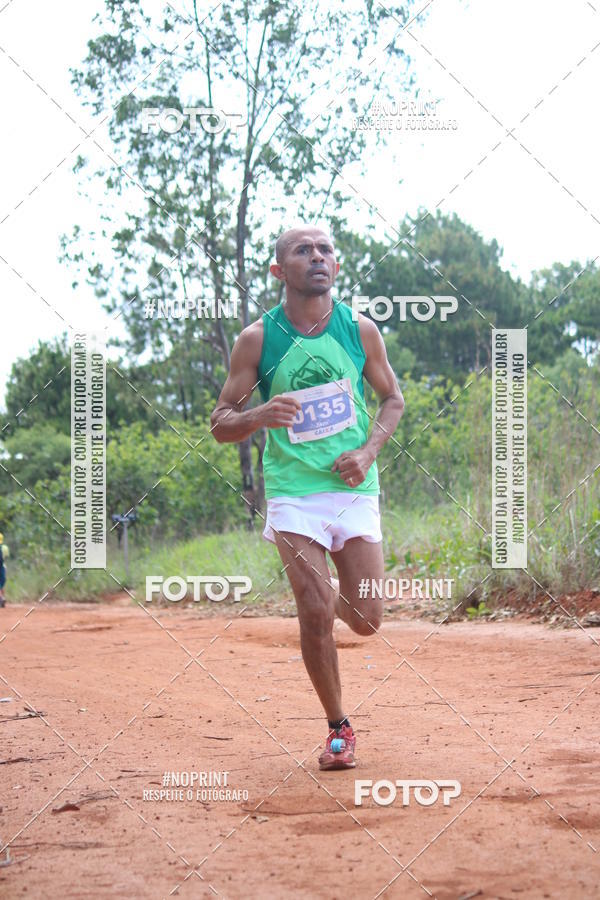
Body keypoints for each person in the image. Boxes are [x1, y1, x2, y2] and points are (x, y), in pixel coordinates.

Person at [210, 226, 404, 770]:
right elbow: (221, 422)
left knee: (366, 618)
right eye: (303, 251)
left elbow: (392, 400)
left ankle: (322, 599)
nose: (317, 258)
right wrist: (258, 415)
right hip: (294, 493)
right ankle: (339, 729)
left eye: (325, 251)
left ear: (335, 267)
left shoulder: (359, 330)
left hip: (352, 486)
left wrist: (367, 452)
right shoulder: (257, 340)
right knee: (315, 609)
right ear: (279, 272)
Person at [0, 533, 8, 607]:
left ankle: (1, 598)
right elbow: (5, 558)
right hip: (3, 567)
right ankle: (3, 597)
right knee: (1, 584)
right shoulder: (4, 547)